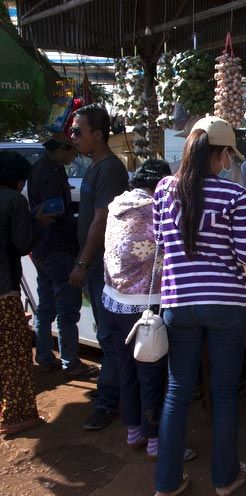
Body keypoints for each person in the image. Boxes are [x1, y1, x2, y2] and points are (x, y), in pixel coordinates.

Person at [153, 116, 246, 496]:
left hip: (178, 301)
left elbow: (162, 245)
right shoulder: (233, 195)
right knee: (225, 392)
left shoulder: (164, 190)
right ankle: (224, 478)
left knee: (177, 390)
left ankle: (166, 483)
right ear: (223, 155)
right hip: (225, 303)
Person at [102, 159, 173, 457]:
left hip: (112, 301)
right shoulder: (154, 209)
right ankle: (155, 440)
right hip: (143, 306)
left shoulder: (116, 207)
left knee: (126, 369)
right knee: (151, 373)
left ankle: (134, 431)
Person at [68, 104, 129, 431]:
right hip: (95, 266)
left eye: (78, 131)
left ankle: (110, 400)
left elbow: (102, 219)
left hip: (103, 266)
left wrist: (82, 261)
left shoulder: (110, 170)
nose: (73, 137)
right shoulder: (94, 166)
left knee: (109, 334)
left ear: (98, 134)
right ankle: (113, 392)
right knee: (107, 335)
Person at [27, 133, 96, 378]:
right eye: (72, 150)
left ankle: (44, 357)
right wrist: (78, 222)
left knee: (45, 308)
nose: (74, 155)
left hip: (44, 249)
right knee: (67, 310)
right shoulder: (49, 174)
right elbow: (54, 213)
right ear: (61, 149)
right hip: (57, 249)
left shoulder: (46, 169)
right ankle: (70, 362)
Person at [0, 151, 54, 435]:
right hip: (4, 292)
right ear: (17, 178)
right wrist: (38, 222)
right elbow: (23, 244)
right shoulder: (13, 200)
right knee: (15, 357)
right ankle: (17, 416)